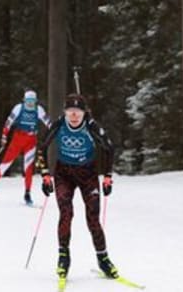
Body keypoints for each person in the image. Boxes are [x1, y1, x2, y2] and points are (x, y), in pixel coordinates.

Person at [35, 93, 118, 281]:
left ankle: (103, 259)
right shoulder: (58, 124)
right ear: (65, 112)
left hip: (87, 174)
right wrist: (45, 174)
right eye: (70, 112)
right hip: (64, 174)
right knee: (66, 213)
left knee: (93, 218)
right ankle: (63, 258)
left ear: (84, 113)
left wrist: (108, 177)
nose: (74, 116)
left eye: (78, 112)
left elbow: (109, 147)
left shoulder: (90, 125)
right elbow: (41, 146)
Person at [0, 89, 51, 205]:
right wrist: (4, 136)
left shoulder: (39, 110)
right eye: (28, 101)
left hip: (31, 141)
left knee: (28, 168)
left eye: (32, 101)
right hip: (17, 139)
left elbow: (48, 123)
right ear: (24, 100)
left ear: (35, 101)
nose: (30, 104)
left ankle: (27, 193)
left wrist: (57, 131)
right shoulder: (19, 108)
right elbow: (8, 122)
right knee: (4, 164)